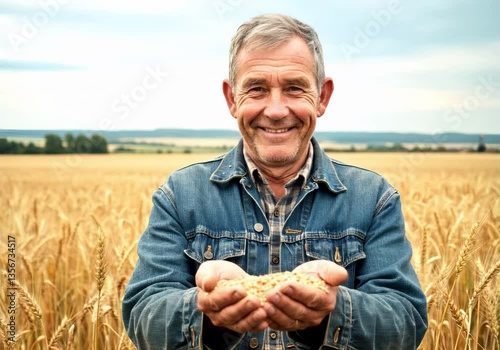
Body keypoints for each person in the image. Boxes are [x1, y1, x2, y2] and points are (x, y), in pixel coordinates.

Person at [122, 13, 428, 349]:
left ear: (322, 97)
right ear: (232, 99)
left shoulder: (373, 198)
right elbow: (142, 313)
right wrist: (204, 310)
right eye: (257, 89)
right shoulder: (181, 194)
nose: (277, 109)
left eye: (295, 88)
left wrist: (332, 310)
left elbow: (406, 322)